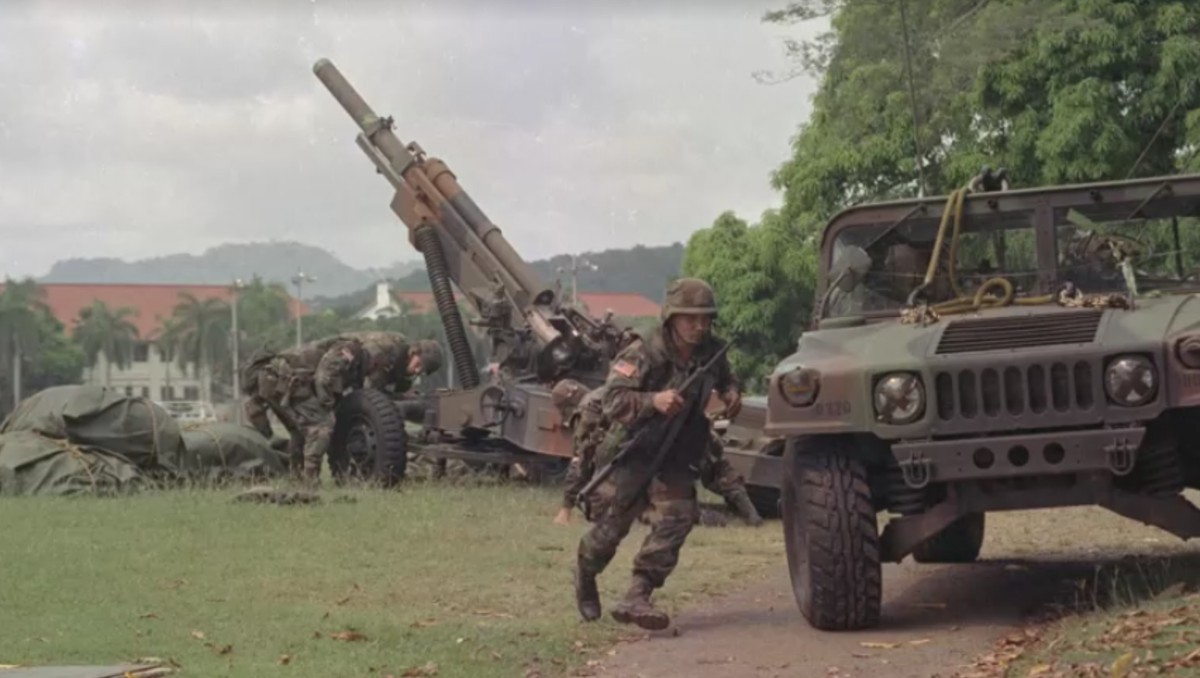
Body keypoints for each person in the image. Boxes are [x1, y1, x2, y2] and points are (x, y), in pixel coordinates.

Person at [573, 277, 740, 630]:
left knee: (679, 517)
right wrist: (653, 400)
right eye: (690, 318)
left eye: (705, 318)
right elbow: (612, 399)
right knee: (610, 530)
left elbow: (725, 377)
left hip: (679, 450)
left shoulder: (712, 351)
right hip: (635, 448)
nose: (699, 326)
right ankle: (585, 573)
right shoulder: (643, 351)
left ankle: (639, 592)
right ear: (672, 318)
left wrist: (731, 394)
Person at [550, 379, 762, 528]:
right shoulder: (608, 390)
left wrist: (566, 508)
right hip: (685, 426)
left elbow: (581, 460)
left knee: (609, 503)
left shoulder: (588, 409)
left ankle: (697, 517)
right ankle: (751, 515)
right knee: (717, 468)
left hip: (655, 444)